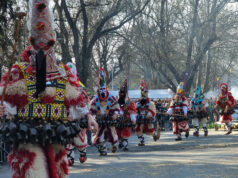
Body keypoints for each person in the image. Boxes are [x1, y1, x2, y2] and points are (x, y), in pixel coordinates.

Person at [0, 1, 98, 177]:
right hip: (26, 135)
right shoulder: (18, 72)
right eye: (41, 49)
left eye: (48, 48)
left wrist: (89, 117)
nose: (45, 53)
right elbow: (7, 103)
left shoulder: (63, 72)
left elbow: (76, 101)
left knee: (57, 172)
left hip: (56, 134)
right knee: (35, 171)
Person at [90, 68, 120, 156]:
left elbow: (116, 107)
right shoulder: (95, 100)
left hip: (109, 119)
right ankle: (103, 149)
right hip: (99, 120)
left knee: (112, 133)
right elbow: (90, 110)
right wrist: (91, 119)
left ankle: (114, 145)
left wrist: (115, 114)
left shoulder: (111, 98)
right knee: (100, 135)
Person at [135, 80, 159, 146]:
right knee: (138, 129)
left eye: (145, 93)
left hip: (147, 118)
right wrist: (136, 114)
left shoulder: (151, 103)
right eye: (142, 93)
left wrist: (149, 114)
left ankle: (154, 135)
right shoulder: (138, 103)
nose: (143, 94)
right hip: (140, 118)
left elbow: (152, 110)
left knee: (149, 130)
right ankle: (141, 141)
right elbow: (136, 110)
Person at [116, 79, 136, 151]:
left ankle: (125, 145)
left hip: (126, 119)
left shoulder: (129, 102)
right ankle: (121, 142)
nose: (122, 94)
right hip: (118, 119)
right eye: (121, 92)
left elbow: (132, 111)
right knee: (118, 132)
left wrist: (133, 119)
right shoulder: (117, 101)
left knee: (126, 131)